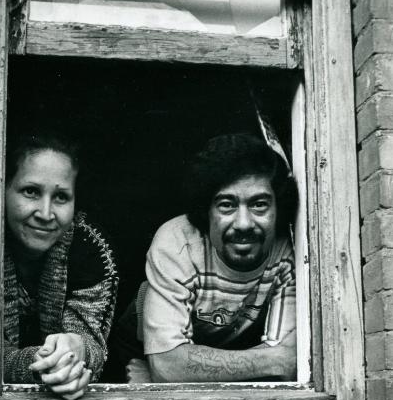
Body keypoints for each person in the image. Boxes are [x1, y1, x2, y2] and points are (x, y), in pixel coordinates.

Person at [123, 132, 297, 383]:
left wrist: (180, 367)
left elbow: (287, 368)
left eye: (259, 204)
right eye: (227, 204)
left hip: (229, 344)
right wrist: (274, 360)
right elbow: (167, 365)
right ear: (206, 212)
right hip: (135, 346)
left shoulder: (288, 252)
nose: (244, 224)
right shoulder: (178, 242)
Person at [3, 131, 118, 400]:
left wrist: (75, 351)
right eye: (31, 192)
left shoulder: (93, 251)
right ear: (2, 189)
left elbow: (92, 346)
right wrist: (43, 363)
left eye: (61, 197)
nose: (45, 213)